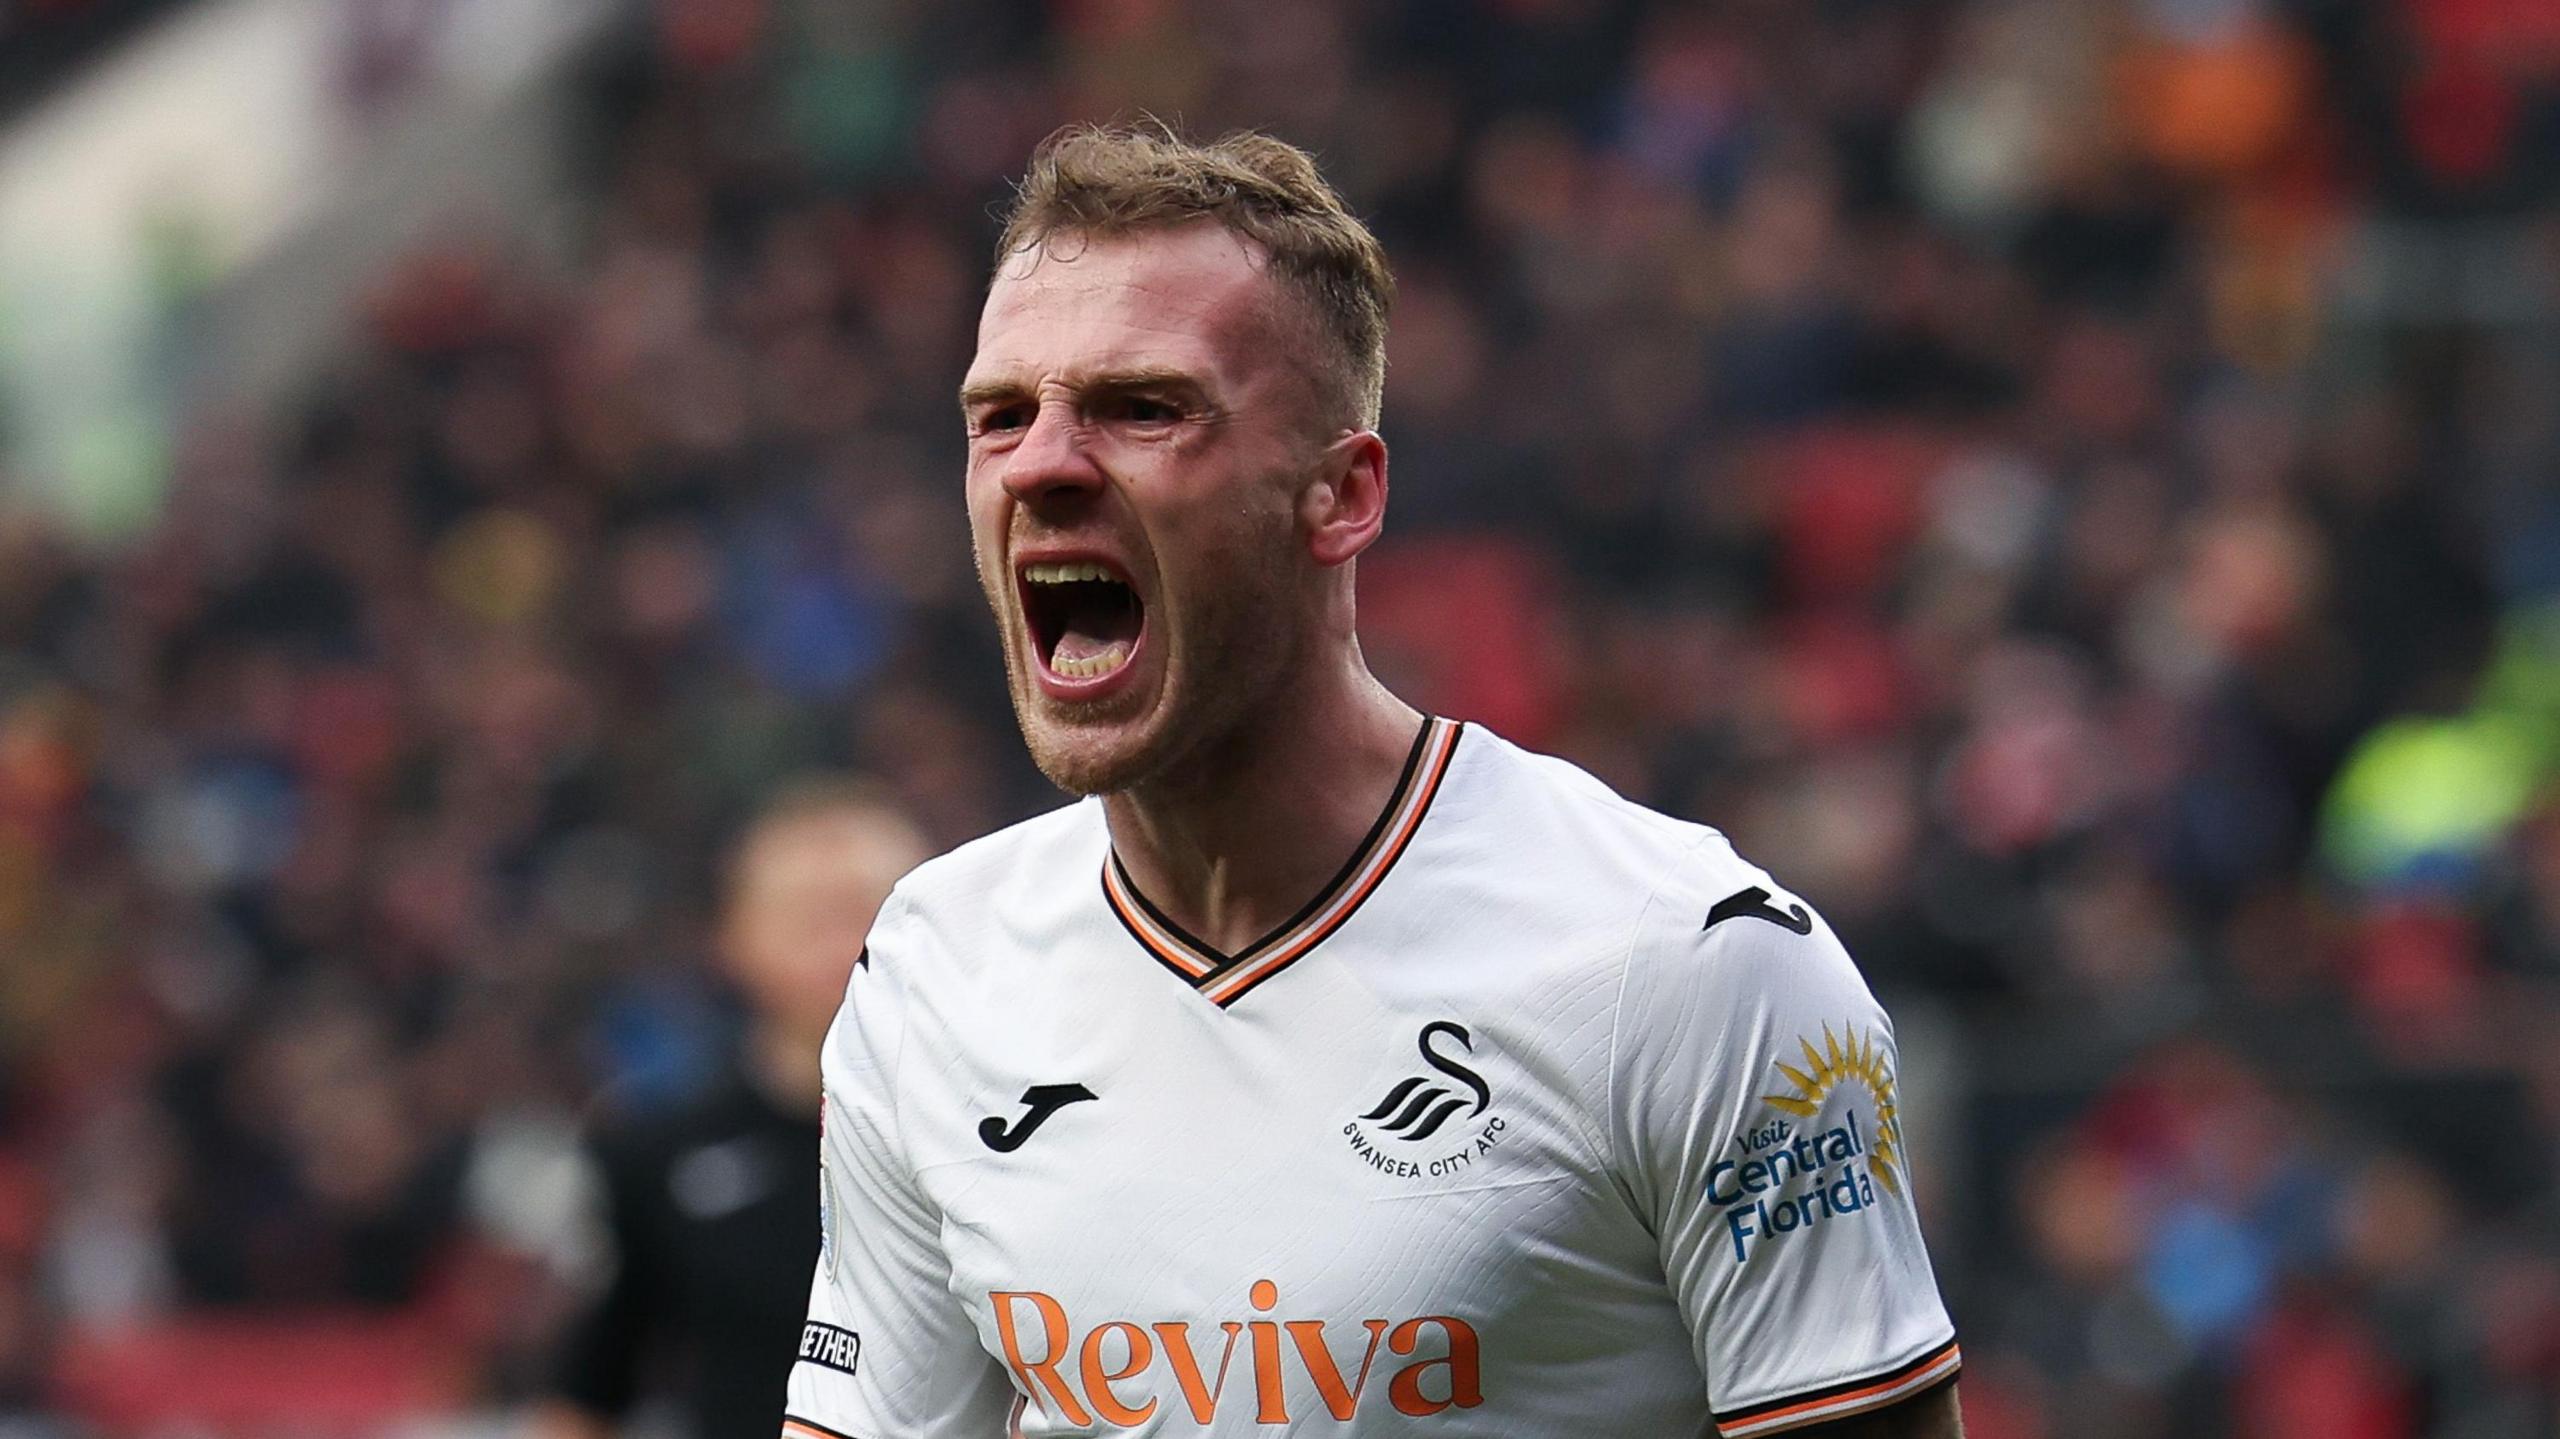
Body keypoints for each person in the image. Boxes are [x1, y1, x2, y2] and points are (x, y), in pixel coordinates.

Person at [784, 124, 1965, 1437]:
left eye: (1144, 407)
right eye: (1000, 415)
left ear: (1340, 495)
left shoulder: (1690, 964)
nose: (1042, 464)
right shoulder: (933, 969)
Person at [536, 781, 929, 1439]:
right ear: (735, 937)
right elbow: (589, 1390)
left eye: (867, 912)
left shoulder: (1021, 1133)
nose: (843, 947)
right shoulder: (654, 1156)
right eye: (810, 919)